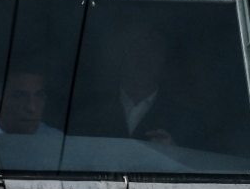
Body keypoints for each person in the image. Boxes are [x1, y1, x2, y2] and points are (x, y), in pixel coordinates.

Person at [71, 20, 199, 147]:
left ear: (163, 58)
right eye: (135, 47)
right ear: (121, 55)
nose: (143, 57)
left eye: (152, 48)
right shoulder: (87, 111)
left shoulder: (184, 120)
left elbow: (197, 164)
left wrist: (175, 154)